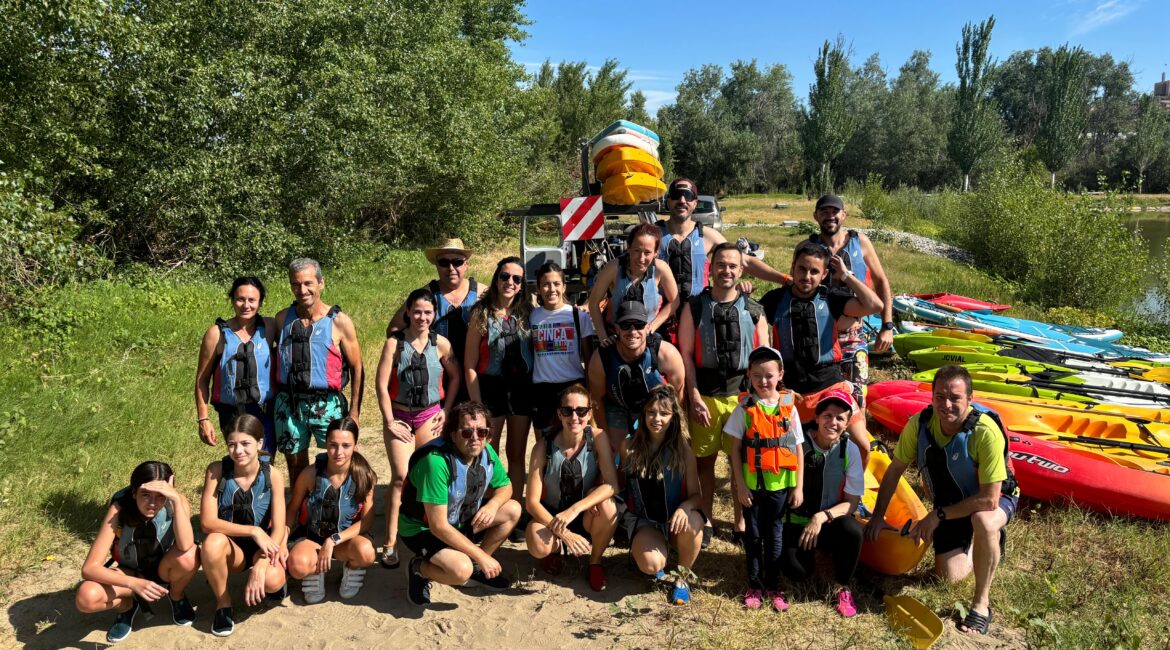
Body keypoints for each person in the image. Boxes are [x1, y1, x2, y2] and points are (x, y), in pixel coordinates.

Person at [864, 365, 1019, 636]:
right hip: (952, 506)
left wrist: (937, 516)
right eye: (939, 397)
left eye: (955, 398)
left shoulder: (984, 432)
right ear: (932, 397)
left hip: (994, 500)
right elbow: (893, 472)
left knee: (983, 520)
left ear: (969, 399)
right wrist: (877, 516)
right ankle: (984, 543)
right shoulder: (921, 424)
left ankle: (981, 605)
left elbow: (989, 499)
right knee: (950, 575)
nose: (946, 405)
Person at [759, 241, 881, 466]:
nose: (807, 276)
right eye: (802, 269)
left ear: (824, 274)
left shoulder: (832, 299)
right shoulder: (774, 300)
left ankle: (853, 494)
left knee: (863, 445)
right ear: (793, 267)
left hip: (830, 386)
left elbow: (875, 305)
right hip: (789, 392)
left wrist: (846, 275)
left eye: (814, 271)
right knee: (783, 453)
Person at [678, 242, 767, 548]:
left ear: (741, 270)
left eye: (732, 266)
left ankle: (741, 523)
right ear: (711, 268)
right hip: (706, 394)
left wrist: (759, 400)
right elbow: (686, 354)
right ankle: (706, 518)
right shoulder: (694, 306)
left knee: (739, 461)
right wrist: (693, 395)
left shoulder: (755, 310)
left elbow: (764, 360)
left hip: (741, 397)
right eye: (720, 265)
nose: (726, 271)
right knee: (705, 461)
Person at [399, 401, 522, 606]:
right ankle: (418, 569)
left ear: (488, 434)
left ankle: (476, 569)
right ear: (453, 434)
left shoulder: (486, 452)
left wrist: (492, 506)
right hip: (422, 529)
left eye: (481, 432)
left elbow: (506, 487)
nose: (475, 438)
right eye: (466, 432)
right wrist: (481, 556)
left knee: (513, 509)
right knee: (460, 571)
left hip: (458, 520)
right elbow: (438, 526)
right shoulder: (436, 462)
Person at [375, 287, 462, 570]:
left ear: (434, 314)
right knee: (401, 477)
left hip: (429, 415)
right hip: (399, 415)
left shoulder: (442, 344)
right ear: (408, 313)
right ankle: (390, 542)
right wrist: (389, 420)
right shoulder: (394, 343)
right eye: (416, 312)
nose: (422, 317)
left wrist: (446, 411)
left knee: (429, 475)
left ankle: (433, 531)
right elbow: (381, 384)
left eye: (427, 312)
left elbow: (455, 377)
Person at [76, 461, 200, 644]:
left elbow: (185, 545)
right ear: (134, 493)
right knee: (86, 597)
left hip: (164, 569)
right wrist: (134, 584)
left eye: (160, 496)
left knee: (190, 555)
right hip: (130, 571)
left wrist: (174, 499)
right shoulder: (119, 508)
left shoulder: (176, 501)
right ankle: (126, 607)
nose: (152, 503)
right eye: (145, 495)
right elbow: (89, 568)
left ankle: (176, 595)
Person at [655, 178, 791, 341]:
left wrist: (783, 278)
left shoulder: (708, 236)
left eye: (688, 196)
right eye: (677, 195)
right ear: (669, 202)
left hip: (699, 314)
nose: (682, 200)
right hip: (663, 317)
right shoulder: (653, 235)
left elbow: (745, 261)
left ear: (695, 203)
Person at [724, 346, 804, 612]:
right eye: (757, 375)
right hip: (753, 488)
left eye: (769, 375)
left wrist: (798, 486)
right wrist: (740, 486)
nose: (763, 381)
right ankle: (754, 585)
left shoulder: (788, 409)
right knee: (754, 536)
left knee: (775, 536)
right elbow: (735, 452)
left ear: (780, 375)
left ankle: (774, 586)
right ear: (749, 375)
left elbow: (798, 449)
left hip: (780, 486)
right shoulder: (744, 409)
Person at [273, 258, 364, 486]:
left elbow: (357, 367)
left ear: (321, 283)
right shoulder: (282, 319)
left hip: (328, 402)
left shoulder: (340, 322)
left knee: (338, 461)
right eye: (296, 284)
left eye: (308, 283)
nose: (302, 290)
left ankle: (338, 511)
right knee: (295, 464)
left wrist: (354, 412)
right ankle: (301, 513)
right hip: (290, 402)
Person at [199, 414, 288, 636]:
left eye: (246, 443)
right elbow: (207, 522)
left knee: (273, 580)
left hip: (263, 547)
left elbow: (279, 528)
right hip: (232, 547)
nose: (238, 451)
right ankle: (223, 604)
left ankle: (265, 575)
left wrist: (261, 564)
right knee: (211, 543)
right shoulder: (216, 471)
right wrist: (253, 530)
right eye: (232, 444)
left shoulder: (274, 476)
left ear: (259, 443)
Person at [525, 384, 620, 592]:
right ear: (559, 414)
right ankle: (556, 549)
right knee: (536, 543)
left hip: (584, 514)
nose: (574, 417)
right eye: (567, 411)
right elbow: (531, 502)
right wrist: (564, 533)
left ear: (589, 413)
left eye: (581, 411)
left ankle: (595, 562)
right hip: (552, 517)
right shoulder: (543, 446)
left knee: (609, 506)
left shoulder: (598, 438)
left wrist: (577, 507)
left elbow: (613, 484)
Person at [779, 390, 865, 618]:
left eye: (840, 418)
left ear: (847, 424)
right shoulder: (795, 442)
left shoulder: (850, 450)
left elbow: (852, 503)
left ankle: (842, 586)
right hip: (797, 521)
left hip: (829, 522)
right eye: (827, 415)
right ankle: (810, 556)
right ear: (816, 418)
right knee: (796, 573)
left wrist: (821, 517)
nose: (833, 422)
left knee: (853, 530)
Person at [618, 385, 704, 605]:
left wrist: (684, 507)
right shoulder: (628, 447)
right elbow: (619, 487)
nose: (657, 418)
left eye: (664, 413)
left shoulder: (683, 449)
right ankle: (652, 551)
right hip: (644, 520)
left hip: (674, 521)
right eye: (651, 412)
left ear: (673, 417)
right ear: (643, 414)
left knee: (694, 520)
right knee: (651, 565)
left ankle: (682, 580)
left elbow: (697, 496)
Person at [806, 195, 895, 407]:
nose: (830, 216)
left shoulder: (860, 242)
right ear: (816, 216)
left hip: (853, 337)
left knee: (857, 400)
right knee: (822, 402)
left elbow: (882, 282)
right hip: (820, 336)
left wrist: (887, 326)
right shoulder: (808, 247)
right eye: (824, 212)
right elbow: (797, 286)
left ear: (843, 215)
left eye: (834, 212)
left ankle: (856, 438)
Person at [465, 256, 534, 506]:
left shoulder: (528, 312)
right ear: (496, 279)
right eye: (505, 276)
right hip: (490, 388)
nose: (510, 282)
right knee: (485, 452)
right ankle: (483, 508)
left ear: (522, 284)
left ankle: (514, 509)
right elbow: (470, 364)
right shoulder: (480, 313)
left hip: (521, 389)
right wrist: (476, 404)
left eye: (517, 279)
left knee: (516, 453)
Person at [285, 417, 377, 604]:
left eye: (346, 445)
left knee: (366, 553)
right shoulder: (310, 474)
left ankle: (351, 567)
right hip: (311, 537)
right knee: (297, 566)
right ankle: (314, 570)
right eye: (333, 445)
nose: (339, 452)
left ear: (355, 446)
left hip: (344, 539)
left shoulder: (364, 475)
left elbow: (367, 521)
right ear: (325, 444)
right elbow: (292, 509)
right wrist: (281, 541)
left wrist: (334, 540)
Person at [387, 238, 480, 402]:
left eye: (457, 262)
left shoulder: (481, 293)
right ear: (436, 265)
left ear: (466, 264)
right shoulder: (426, 294)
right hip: (436, 378)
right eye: (444, 262)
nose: (451, 268)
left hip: (476, 377)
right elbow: (394, 329)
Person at [195, 276, 277, 456]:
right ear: (232, 300)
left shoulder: (270, 327)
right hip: (231, 413)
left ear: (260, 302)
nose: (246, 305)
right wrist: (203, 418)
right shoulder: (216, 334)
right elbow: (202, 380)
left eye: (252, 300)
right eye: (240, 299)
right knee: (240, 462)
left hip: (265, 410)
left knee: (264, 463)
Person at [588, 301, 685, 449]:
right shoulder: (602, 357)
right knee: (618, 454)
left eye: (639, 325)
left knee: (662, 451)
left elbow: (679, 397)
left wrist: (675, 431)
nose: (632, 331)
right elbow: (596, 401)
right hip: (618, 407)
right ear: (617, 329)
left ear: (647, 327)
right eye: (626, 325)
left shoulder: (666, 353)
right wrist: (605, 438)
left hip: (657, 409)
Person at [529, 261, 595, 432]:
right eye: (545, 284)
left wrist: (590, 392)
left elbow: (589, 359)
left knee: (576, 440)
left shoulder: (579, 316)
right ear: (538, 288)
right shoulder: (532, 317)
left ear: (564, 287)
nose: (552, 289)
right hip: (542, 390)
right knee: (545, 445)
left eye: (556, 284)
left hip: (573, 386)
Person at [587, 223, 679, 342]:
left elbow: (675, 300)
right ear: (629, 247)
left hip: (649, 335)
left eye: (647, 252)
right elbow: (593, 303)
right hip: (617, 336)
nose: (641, 258)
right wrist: (603, 338)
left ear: (656, 253)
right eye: (637, 250)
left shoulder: (661, 269)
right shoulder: (613, 268)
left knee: (671, 357)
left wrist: (652, 327)